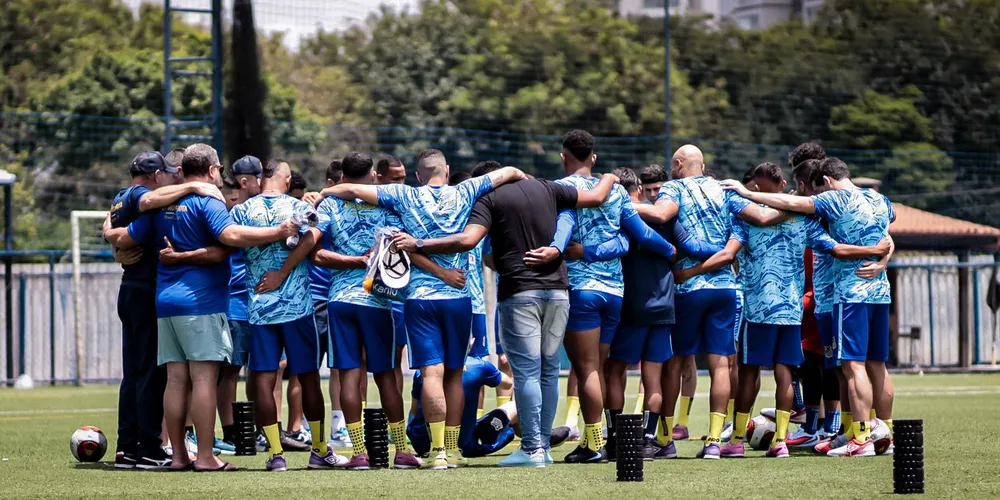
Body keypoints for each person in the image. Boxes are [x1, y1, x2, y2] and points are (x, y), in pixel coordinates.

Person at [389, 163, 620, 467]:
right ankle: (545, 450)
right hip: (559, 290)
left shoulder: (490, 199)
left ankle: (533, 449)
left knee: (525, 371)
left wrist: (417, 243)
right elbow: (596, 197)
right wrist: (610, 176)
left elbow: (469, 240)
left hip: (520, 292)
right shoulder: (549, 188)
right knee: (549, 370)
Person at [321, 150, 524, 470]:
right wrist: (525, 180)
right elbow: (508, 170)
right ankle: (449, 451)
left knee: (427, 374)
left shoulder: (404, 195)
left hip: (416, 299)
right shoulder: (465, 190)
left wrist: (325, 191)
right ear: (447, 169)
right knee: (452, 375)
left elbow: (352, 191)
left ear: (417, 175)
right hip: (457, 298)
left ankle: (432, 451)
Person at [105, 143, 298, 471]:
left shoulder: (164, 204)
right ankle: (206, 457)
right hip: (201, 303)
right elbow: (231, 235)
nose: (222, 176)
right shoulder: (206, 201)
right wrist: (277, 232)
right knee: (205, 380)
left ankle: (178, 455)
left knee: (175, 380)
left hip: (164, 302)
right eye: (220, 170)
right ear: (210, 170)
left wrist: (109, 232)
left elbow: (126, 237)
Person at [720, 156, 896, 457]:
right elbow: (882, 237)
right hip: (874, 292)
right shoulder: (879, 200)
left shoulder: (829, 201)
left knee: (850, 367)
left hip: (839, 294)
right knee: (872, 366)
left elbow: (775, 215)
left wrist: (747, 193)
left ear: (826, 182)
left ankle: (862, 438)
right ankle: (884, 434)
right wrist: (882, 256)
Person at [632, 144, 787, 459]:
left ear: (678, 163)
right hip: (726, 288)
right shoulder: (725, 191)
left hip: (688, 291)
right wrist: (802, 205)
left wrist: (621, 203)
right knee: (720, 364)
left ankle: (665, 440)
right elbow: (760, 216)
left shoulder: (674, 188)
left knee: (674, 363)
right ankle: (715, 441)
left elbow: (661, 214)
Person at [552, 131, 677, 463]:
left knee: (587, 369)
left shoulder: (559, 190)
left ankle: (594, 445)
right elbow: (639, 235)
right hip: (615, 294)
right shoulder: (619, 193)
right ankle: (608, 442)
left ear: (564, 157)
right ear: (593, 158)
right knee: (603, 368)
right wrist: (670, 250)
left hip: (581, 291)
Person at [311, 152, 428, 470]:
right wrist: (367, 261)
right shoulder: (386, 204)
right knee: (387, 377)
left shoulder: (330, 205)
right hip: (377, 301)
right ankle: (402, 451)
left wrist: (351, 260)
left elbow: (315, 253)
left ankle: (360, 453)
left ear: (342, 177)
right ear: (374, 177)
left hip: (341, 300)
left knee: (349, 375)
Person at [107, 151, 185, 470]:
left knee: (134, 373)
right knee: (151, 374)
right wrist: (193, 188)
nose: (170, 179)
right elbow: (141, 214)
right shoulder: (143, 198)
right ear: (154, 177)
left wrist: (114, 243)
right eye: (166, 174)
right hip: (146, 289)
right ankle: (149, 447)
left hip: (130, 289)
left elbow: (114, 232)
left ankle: (127, 446)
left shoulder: (119, 196)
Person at [407, 356, 571, 460]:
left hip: (422, 444)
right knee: (519, 404)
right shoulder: (478, 365)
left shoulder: (423, 372)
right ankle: (539, 439)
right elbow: (508, 383)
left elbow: (413, 413)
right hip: (466, 446)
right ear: (469, 341)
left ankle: (535, 437)